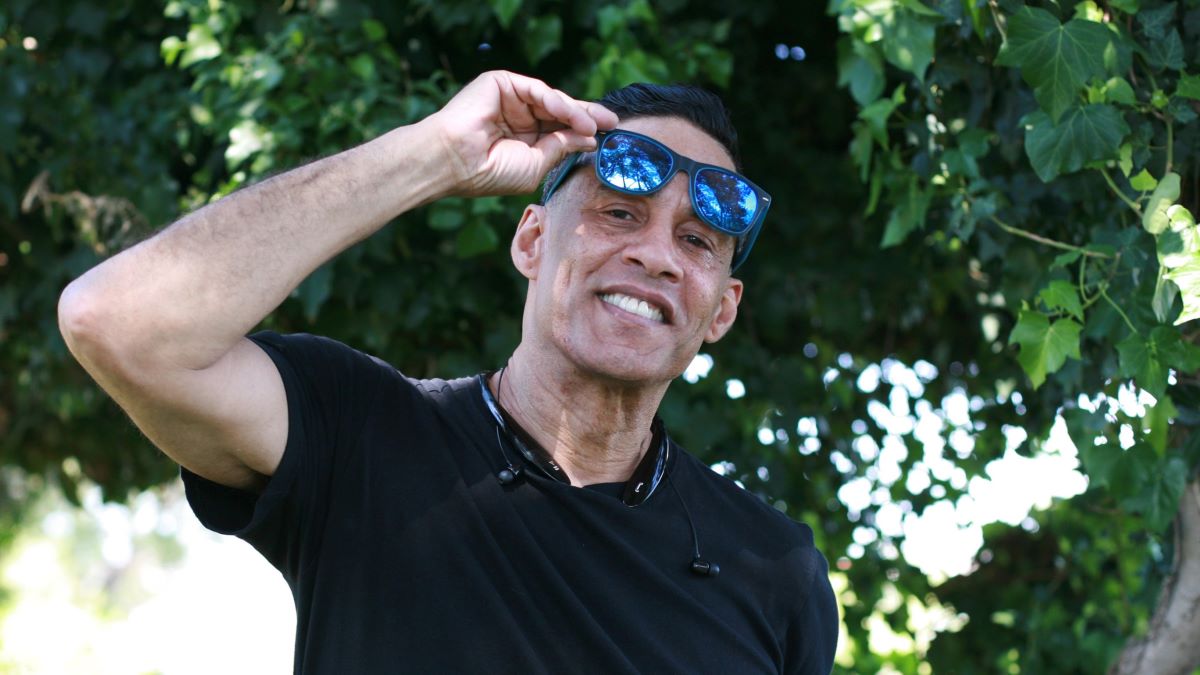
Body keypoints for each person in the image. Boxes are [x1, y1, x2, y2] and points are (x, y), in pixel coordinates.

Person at [58, 70, 838, 673]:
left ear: (722, 310)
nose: (657, 255)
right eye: (619, 213)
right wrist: (434, 153)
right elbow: (118, 323)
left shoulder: (776, 570)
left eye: (698, 241)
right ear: (531, 242)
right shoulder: (363, 434)